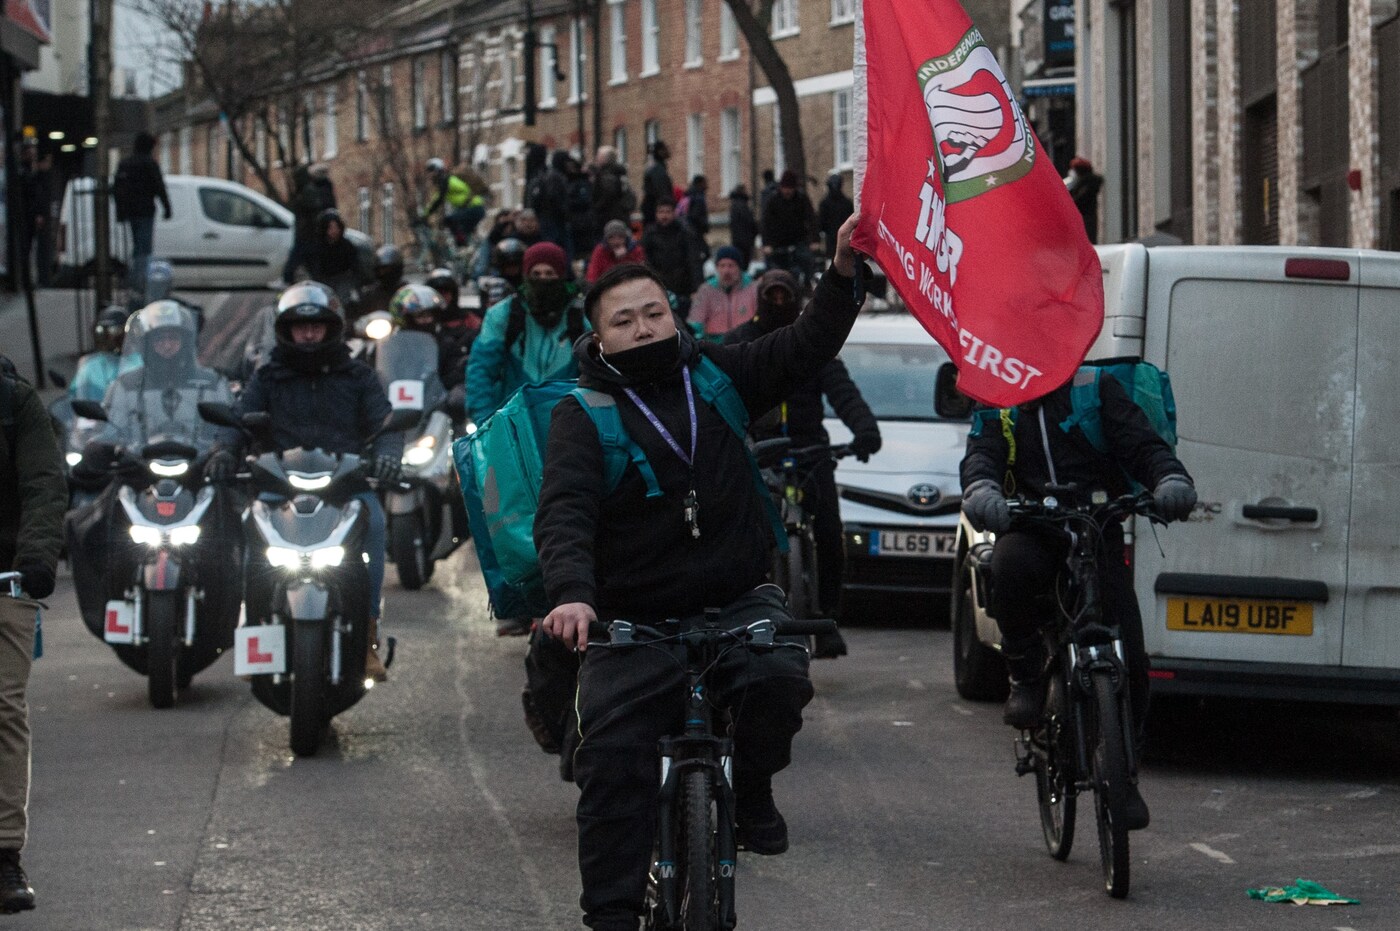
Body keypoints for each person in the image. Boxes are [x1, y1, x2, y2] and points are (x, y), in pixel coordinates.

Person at [535, 214, 866, 931]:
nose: (645, 326)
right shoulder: (583, 412)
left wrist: (840, 274)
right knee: (611, 763)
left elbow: (804, 347)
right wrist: (571, 596)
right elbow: (563, 512)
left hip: (735, 598)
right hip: (632, 618)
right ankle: (614, 914)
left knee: (780, 675)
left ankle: (748, 791)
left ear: (673, 314)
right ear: (598, 338)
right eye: (625, 319)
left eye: (654, 311)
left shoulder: (715, 375)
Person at [959, 372, 1197, 829]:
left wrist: (1169, 478)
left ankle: (1124, 775)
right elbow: (982, 454)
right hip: (1032, 525)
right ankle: (1026, 676)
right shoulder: (1001, 393)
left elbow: (1141, 444)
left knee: (1134, 656)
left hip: (1096, 526)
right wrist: (983, 490)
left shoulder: (1096, 388)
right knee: (1006, 566)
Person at [234, 283, 402, 682]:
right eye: (299, 326)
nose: (309, 334)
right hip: (279, 486)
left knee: (375, 525)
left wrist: (390, 454)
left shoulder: (358, 375)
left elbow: (387, 424)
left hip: (345, 486)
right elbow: (240, 421)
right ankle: (255, 631)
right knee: (250, 534)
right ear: (285, 329)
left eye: (317, 326)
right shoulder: (267, 375)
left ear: (332, 328)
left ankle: (367, 638)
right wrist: (225, 450)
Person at [724, 269, 881, 657]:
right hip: (757, 450)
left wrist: (865, 431)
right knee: (738, 533)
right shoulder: (739, 341)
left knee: (830, 532)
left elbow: (842, 392)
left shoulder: (811, 344)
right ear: (761, 298)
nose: (779, 303)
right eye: (771, 296)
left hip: (810, 448)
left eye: (785, 297)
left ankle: (827, 616)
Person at [466, 242, 587, 636]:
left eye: (552, 276)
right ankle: (514, 602)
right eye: (536, 276)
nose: (544, 283)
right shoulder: (504, 315)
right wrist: (485, 426)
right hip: (510, 432)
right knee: (497, 511)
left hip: (571, 426)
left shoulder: (581, 316)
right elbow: (481, 370)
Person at [0, 353, 67, 913]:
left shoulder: (14, 402)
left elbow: (44, 484)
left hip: (4, 579)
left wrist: (36, 556)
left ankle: (3, 855)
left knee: (4, 706)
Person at [102, 301, 237, 454]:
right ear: (145, 343)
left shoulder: (213, 383)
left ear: (186, 342)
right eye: (159, 339)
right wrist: (101, 447)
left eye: (173, 338)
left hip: (201, 467)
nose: (167, 345)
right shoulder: (125, 385)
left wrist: (224, 450)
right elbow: (110, 433)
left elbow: (229, 430)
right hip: (138, 468)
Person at [112, 132, 172, 298]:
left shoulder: (125, 164)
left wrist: (120, 212)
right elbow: (159, 187)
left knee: (137, 246)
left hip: (131, 211)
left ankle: (135, 279)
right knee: (144, 248)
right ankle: (139, 282)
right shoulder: (149, 164)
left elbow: (116, 189)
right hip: (146, 210)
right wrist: (167, 207)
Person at [640, 199, 701, 317]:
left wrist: (696, 287)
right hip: (658, 285)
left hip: (683, 287)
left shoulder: (684, 232)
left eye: (668, 212)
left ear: (674, 213)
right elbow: (645, 260)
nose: (664, 216)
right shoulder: (650, 234)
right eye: (661, 212)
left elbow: (693, 261)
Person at [280, 163, 336, 286]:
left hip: (307, 233)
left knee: (300, 258)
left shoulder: (308, 191)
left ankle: (288, 278)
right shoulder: (308, 190)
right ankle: (316, 281)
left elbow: (312, 208)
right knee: (310, 262)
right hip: (307, 233)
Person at [761, 170, 818, 287]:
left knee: (807, 261)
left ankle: (808, 285)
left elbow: (811, 219)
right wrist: (767, 244)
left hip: (798, 240)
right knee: (772, 269)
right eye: (785, 188)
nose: (787, 191)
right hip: (777, 244)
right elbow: (765, 223)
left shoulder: (801, 199)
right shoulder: (773, 200)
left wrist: (814, 240)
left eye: (790, 188)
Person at [688, 245, 757, 338]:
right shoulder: (706, 290)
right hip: (715, 344)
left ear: (739, 267)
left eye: (731, 266)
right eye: (722, 266)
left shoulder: (752, 288)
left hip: (746, 343)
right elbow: (695, 322)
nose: (726, 271)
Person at [68, 307, 131, 403]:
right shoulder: (89, 366)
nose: (107, 339)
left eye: (112, 332)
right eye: (101, 332)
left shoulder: (140, 363)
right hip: (96, 416)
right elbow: (77, 399)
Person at [14, 141, 52, 289]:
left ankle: (28, 279)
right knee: (26, 247)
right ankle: (25, 280)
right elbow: (31, 195)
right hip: (27, 216)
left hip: (29, 215)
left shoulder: (29, 172)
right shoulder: (25, 173)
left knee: (29, 248)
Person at [423, 157, 486, 245]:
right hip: (470, 209)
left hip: (475, 208)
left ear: (438, 170)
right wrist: (424, 215)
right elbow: (435, 200)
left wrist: (425, 216)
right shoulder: (444, 184)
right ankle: (467, 250)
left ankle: (463, 247)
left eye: (431, 171)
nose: (430, 175)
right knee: (460, 231)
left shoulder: (447, 181)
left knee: (449, 220)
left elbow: (438, 200)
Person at [307, 209, 360, 300]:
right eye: (330, 228)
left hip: (343, 280)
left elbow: (355, 268)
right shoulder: (317, 247)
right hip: (324, 281)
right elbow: (315, 269)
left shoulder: (347, 246)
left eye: (336, 227)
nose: (334, 231)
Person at [529, 151, 574, 254]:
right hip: (554, 221)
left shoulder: (552, 175)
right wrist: (564, 212)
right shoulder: (555, 177)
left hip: (550, 220)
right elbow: (554, 197)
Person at [590, 146, 635, 239]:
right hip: (621, 215)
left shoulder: (606, 174)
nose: (596, 158)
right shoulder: (620, 173)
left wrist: (596, 207)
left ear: (604, 158)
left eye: (598, 155)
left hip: (608, 217)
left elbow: (608, 194)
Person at [586, 220, 646, 284]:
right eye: (611, 238)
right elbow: (592, 275)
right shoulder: (600, 251)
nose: (616, 241)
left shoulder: (635, 250)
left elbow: (640, 273)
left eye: (620, 237)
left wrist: (624, 258)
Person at [477, 237, 527, 310]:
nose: (512, 268)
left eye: (515, 264)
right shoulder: (492, 284)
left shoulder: (527, 284)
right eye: (508, 265)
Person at [358, 246, 407, 317]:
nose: (385, 273)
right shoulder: (370, 293)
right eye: (382, 270)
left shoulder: (407, 291)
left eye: (390, 269)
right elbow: (360, 315)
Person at [1066, 156, 1104, 244]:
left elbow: (1079, 200)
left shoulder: (1086, 184)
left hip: (1085, 218)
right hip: (1086, 218)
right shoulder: (1080, 184)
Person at [818, 173, 854, 261]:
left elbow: (821, 223)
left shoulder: (825, 203)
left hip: (837, 238)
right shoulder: (846, 203)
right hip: (836, 238)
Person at [640, 140, 673, 227]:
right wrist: (667, 209)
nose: (668, 151)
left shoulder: (656, 168)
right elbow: (662, 192)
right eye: (666, 149)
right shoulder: (658, 170)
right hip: (654, 211)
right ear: (660, 151)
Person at [728, 184, 758, 269]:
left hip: (737, 240)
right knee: (744, 265)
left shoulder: (734, 205)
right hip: (745, 241)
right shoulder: (743, 206)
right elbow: (750, 222)